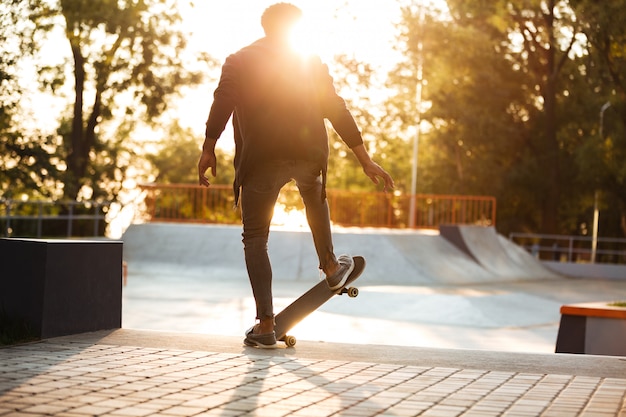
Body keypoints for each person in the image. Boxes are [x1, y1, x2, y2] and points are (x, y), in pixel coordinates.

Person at [198, 3, 394, 348]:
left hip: (261, 158)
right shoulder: (309, 61)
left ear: (265, 27)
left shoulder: (240, 60)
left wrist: (208, 146)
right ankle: (332, 266)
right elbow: (335, 106)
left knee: (255, 237)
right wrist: (364, 158)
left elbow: (223, 98)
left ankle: (266, 323)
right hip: (308, 155)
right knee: (314, 195)